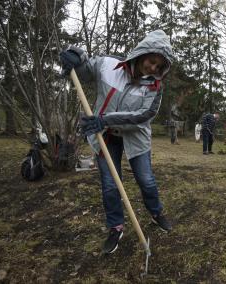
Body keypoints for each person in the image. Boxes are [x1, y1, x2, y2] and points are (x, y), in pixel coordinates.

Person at [59, 30, 173, 254]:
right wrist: (76, 58)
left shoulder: (155, 87)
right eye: (151, 61)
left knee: (146, 180)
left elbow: (143, 116)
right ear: (143, 53)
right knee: (111, 184)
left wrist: (105, 120)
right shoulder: (109, 65)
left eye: (158, 66)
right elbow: (86, 69)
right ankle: (116, 227)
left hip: (135, 138)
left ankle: (156, 212)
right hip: (105, 137)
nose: (152, 69)